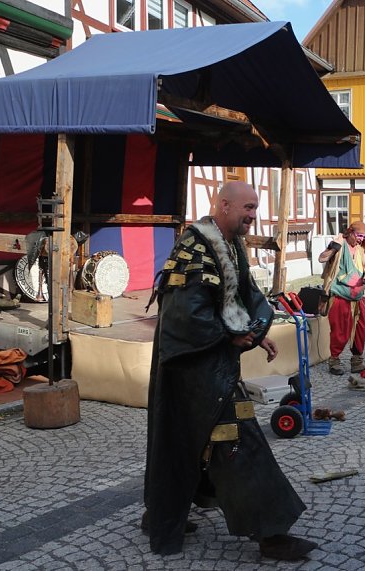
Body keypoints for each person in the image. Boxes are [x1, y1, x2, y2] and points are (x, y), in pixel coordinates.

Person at [144, 181, 316, 560]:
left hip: (213, 362)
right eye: (248, 208)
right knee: (238, 439)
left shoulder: (232, 245)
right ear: (223, 205)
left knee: (190, 442)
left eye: (255, 208)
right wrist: (229, 336)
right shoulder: (194, 246)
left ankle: (162, 511)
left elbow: (243, 297)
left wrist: (255, 335)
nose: (253, 216)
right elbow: (185, 315)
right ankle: (270, 533)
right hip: (193, 371)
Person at [318, 220, 365, 375]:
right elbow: (322, 258)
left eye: (363, 237)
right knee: (339, 331)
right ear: (350, 232)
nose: (361, 239)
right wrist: (334, 246)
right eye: (359, 235)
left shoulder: (359, 249)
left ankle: (357, 361)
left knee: (360, 330)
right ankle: (334, 361)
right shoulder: (340, 245)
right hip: (340, 296)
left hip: (358, 297)